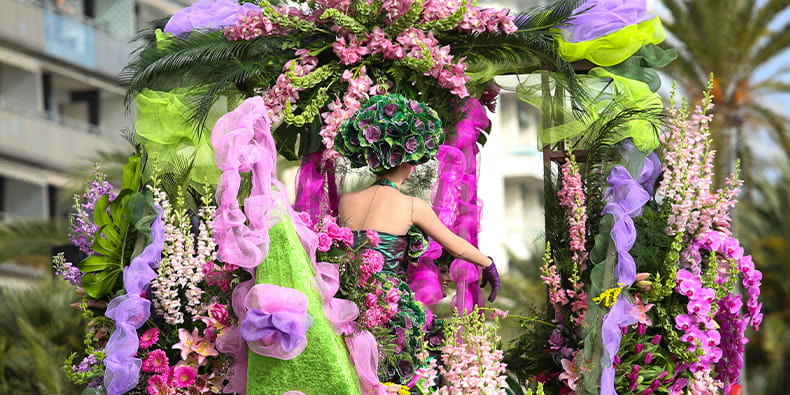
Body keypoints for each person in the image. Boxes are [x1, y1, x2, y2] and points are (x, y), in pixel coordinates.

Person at [334, 93, 500, 385]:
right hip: (389, 306)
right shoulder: (413, 206)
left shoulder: (347, 200)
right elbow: (455, 244)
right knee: (395, 380)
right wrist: (487, 264)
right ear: (409, 162)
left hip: (347, 302)